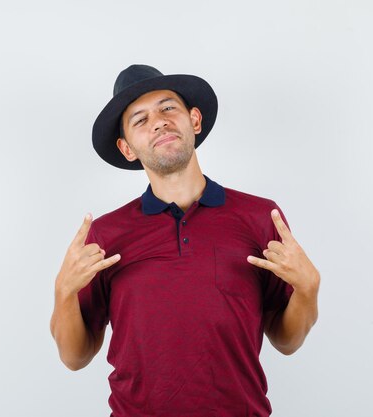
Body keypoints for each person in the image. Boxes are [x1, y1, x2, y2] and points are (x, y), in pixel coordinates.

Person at [50, 64, 320, 416]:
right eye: (140, 120)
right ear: (127, 148)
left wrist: (308, 290)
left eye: (167, 108)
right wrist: (63, 292)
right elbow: (75, 357)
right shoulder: (105, 235)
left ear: (194, 120)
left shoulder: (260, 218)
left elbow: (286, 341)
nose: (159, 121)